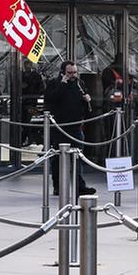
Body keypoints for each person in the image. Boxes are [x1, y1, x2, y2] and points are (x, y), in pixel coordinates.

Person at [44, 60, 92, 196]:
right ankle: (58, 185)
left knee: (78, 156)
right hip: (60, 126)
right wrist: (62, 85)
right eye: (69, 73)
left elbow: (85, 104)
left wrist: (87, 100)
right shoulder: (54, 83)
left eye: (75, 72)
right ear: (63, 72)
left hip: (76, 125)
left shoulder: (79, 84)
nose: (73, 75)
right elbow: (50, 99)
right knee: (58, 158)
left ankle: (80, 186)